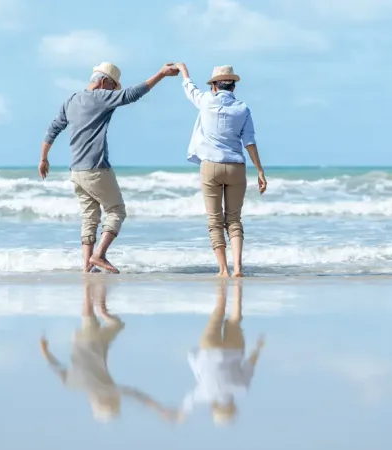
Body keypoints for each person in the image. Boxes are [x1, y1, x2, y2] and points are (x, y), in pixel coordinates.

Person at [39, 62, 180, 274]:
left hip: (76, 170)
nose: (114, 92)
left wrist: (43, 158)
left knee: (89, 217)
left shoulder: (71, 100)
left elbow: (53, 128)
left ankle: (87, 266)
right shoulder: (101, 97)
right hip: (96, 168)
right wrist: (160, 73)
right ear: (104, 81)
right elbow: (131, 95)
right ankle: (99, 255)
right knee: (116, 211)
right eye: (113, 87)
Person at [39, 279, 181, 423]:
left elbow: (136, 395)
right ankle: (91, 289)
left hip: (94, 342)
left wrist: (159, 409)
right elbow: (57, 368)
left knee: (110, 321)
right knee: (94, 316)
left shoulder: (106, 390)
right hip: (83, 341)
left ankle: (93, 291)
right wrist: (45, 350)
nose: (116, 399)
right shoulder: (73, 385)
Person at [176, 63, 267, 277]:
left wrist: (183, 70)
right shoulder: (242, 108)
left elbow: (190, 89)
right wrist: (260, 171)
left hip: (210, 167)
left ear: (214, 86)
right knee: (234, 219)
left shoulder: (206, 101)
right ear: (233, 87)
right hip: (236, 166)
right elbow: (250, 142)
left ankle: (223, 269)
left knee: (214, 220)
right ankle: (238, 267)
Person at [179, 281, 265, 426]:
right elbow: (188, 402)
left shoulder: (242, 388)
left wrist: (258, 348)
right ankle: (223, 282)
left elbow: (250, 364)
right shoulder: (203, 394)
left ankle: (237, 285)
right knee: (219, 311)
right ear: (214, 407)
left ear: (233, 406)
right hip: (209, 349)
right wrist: (183, 413)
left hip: (234, 350)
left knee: (235, 320)